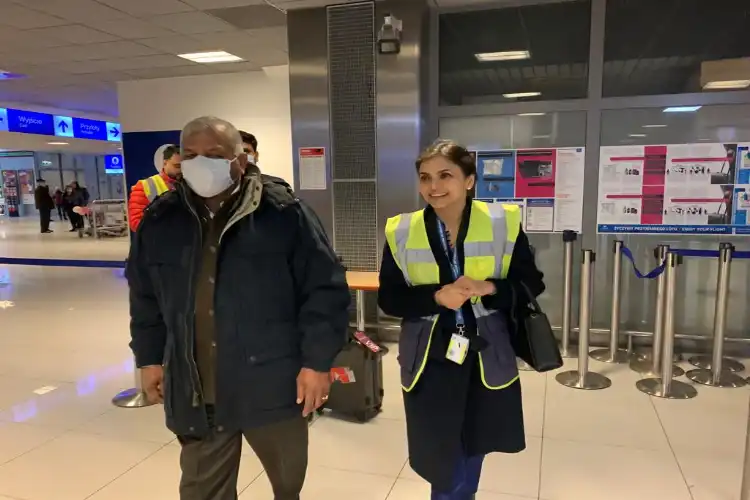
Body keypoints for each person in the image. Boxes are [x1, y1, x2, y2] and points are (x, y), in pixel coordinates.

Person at [127, 116, 350, 500]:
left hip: (274, 386)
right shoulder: (162, 219)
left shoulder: (283, 214)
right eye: (191, 155)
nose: (201, 163)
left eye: (214, 154)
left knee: (287, 485)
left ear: (240, 160)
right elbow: (145, 296)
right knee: (201, 491)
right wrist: (149, 358)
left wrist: (316, 363)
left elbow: (325, 291)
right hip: (198, 390)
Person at [378, 140, 545, 500]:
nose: (433, 187)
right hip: (430, 354)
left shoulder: (503, 222)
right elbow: (389, 298)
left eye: (445, 175)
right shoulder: (401, 231)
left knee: (475, 441)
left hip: (486, 351)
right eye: (425, 178)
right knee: (440, 449)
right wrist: (436, 297)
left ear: (469, 180)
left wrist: (488, 287)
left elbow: (531, 283)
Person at [127, 144, 181, 231]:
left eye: (184, 167)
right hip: (161, 242)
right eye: (177, 166)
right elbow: (136, 223)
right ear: (165, 163)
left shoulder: (190, 185)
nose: (181, 170)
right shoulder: (144, 186)